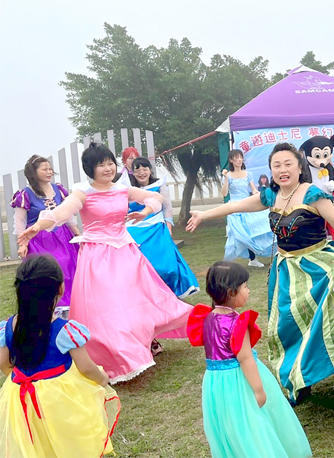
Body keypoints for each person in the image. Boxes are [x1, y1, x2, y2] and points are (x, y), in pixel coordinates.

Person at [187, 143, 334, 404]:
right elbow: (235, 206)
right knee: (288, 327)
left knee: (327, 323)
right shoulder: (270, 196)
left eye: (288, 164)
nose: (282, 170)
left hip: (319, 268)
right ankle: (301, 381)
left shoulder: (313, 194)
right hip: (286, 271)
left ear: (300, 167)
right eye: (277, 165)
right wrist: (204, 214)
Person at [18, 143, 193, 383]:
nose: (108, 168)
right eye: (101, 164)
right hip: (97, 256)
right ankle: (119, 354)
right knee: (108, 307)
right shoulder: (82, 192)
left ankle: (143, 341)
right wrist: (37, 227)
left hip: (126, 252)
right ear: (90, 168)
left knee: (135, 300)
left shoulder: (122, 189)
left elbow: (157, 197)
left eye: (110, 162)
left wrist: (145, 211)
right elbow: (61, 212)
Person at [187, 261, 312, 458]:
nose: (249, 290)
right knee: (252, 423)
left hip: (215, 383)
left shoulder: (207, 317)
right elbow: (245, 359)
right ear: (231, 292)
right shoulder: (237, 323)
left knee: (231, 424)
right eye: (245, 286)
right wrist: (259, 389)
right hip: (239, 381)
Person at [0, 256, 120, 458]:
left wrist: (21, 378)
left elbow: (3, 363)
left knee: (35, 442)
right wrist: (103, 379)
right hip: (58, 399)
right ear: (61, 289)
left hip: (20, 397)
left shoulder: (8, 327)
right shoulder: (65, 331)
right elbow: (86, 367)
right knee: (67, 438)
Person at [11, 155, 80, 315]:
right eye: (45, 169)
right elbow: (19, 222)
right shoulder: (25, 194)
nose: (50, 172)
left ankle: (70, 307)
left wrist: (77, 234)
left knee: (70, 266)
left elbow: (67, 215)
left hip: (63, 236)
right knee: (48, 271)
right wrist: (23, 244)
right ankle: (50, 308)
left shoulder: (59, 190)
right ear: (34, 173)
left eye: (50, 168)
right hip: (39, 240)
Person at [127, 157, 199, 298]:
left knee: (166, 265)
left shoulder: (160, 185)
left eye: (145, 168)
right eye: (138, 169)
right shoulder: (129, 189)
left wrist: (169, 226)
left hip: (157, 229)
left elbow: (167, 208)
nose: (142, 172)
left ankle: (169, 294)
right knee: (140, 266)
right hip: (135, 231)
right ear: (133, 172)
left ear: (150, 170)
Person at [221, 149, 274, 268]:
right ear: (231, 160)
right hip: (234, 208)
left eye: (240, 157)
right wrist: (225, 178)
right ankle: (228, 260)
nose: (239, 160)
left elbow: (253, 190)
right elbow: (224, 193)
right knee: (237, 235)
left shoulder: (247, 174)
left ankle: (253, 259)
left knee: (251, 232)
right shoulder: (228, 176)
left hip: (246, 205)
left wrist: (260, 195)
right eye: (236, 158)